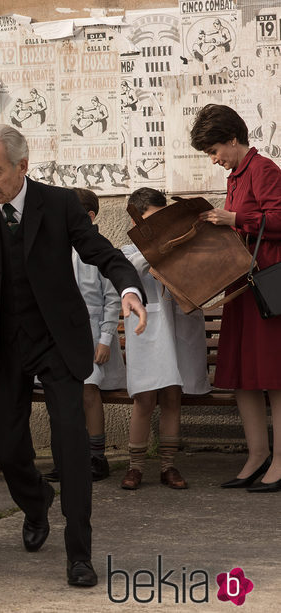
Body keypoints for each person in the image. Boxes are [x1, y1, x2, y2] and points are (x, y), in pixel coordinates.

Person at [0, 124, 147, 587]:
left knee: (70, 444)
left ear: (23, 165)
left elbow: (103, 253)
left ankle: (79, 553)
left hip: (56, 341)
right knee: (10, 450)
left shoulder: (58, 205)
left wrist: (129, 289)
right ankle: (36, 502)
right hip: (0, 343)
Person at [190, 104, 281, 493]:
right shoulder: (236, 175)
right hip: (241, 286)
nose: (214, 160)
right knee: (244, 378)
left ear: (233, 139)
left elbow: (279, 220)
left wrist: (233, 219)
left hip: (266, 288)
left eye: (215, 151)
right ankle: (257, 456)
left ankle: (280, 461)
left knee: (275, 378)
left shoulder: (264, 170)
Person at [119, 188, 211, 490]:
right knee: (145, 398)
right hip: (147, 334)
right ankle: (135, 467)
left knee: (173, 397)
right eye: (153, 220)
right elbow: (126, 273)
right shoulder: (126, 253)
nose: (161, 226)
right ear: (136, 219)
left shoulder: (182, 245)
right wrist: (158, 248)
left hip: (179, 328)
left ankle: (169, 466)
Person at [44, 188, 125, 483]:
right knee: (62, 396)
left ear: (88, 218)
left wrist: (105, 339)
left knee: (89, 392)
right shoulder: (53, 248)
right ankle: (66, 457)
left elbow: (112, 299)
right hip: (57, 334)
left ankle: (95, 457)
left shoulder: (98, 250)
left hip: (91, 335)